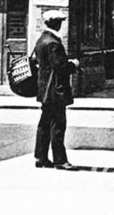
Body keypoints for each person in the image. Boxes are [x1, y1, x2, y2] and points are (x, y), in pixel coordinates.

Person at [33, 10, 79, 170]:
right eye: (60, 21)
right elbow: (60, 67)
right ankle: (60, 160)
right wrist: (73, 64)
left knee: (44, 124)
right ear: (56, 23)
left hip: (45, 89)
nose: (61, 24)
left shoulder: (42, 39)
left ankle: (41, 157)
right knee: (58, 125)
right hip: (55, 90)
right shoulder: (53, 43)